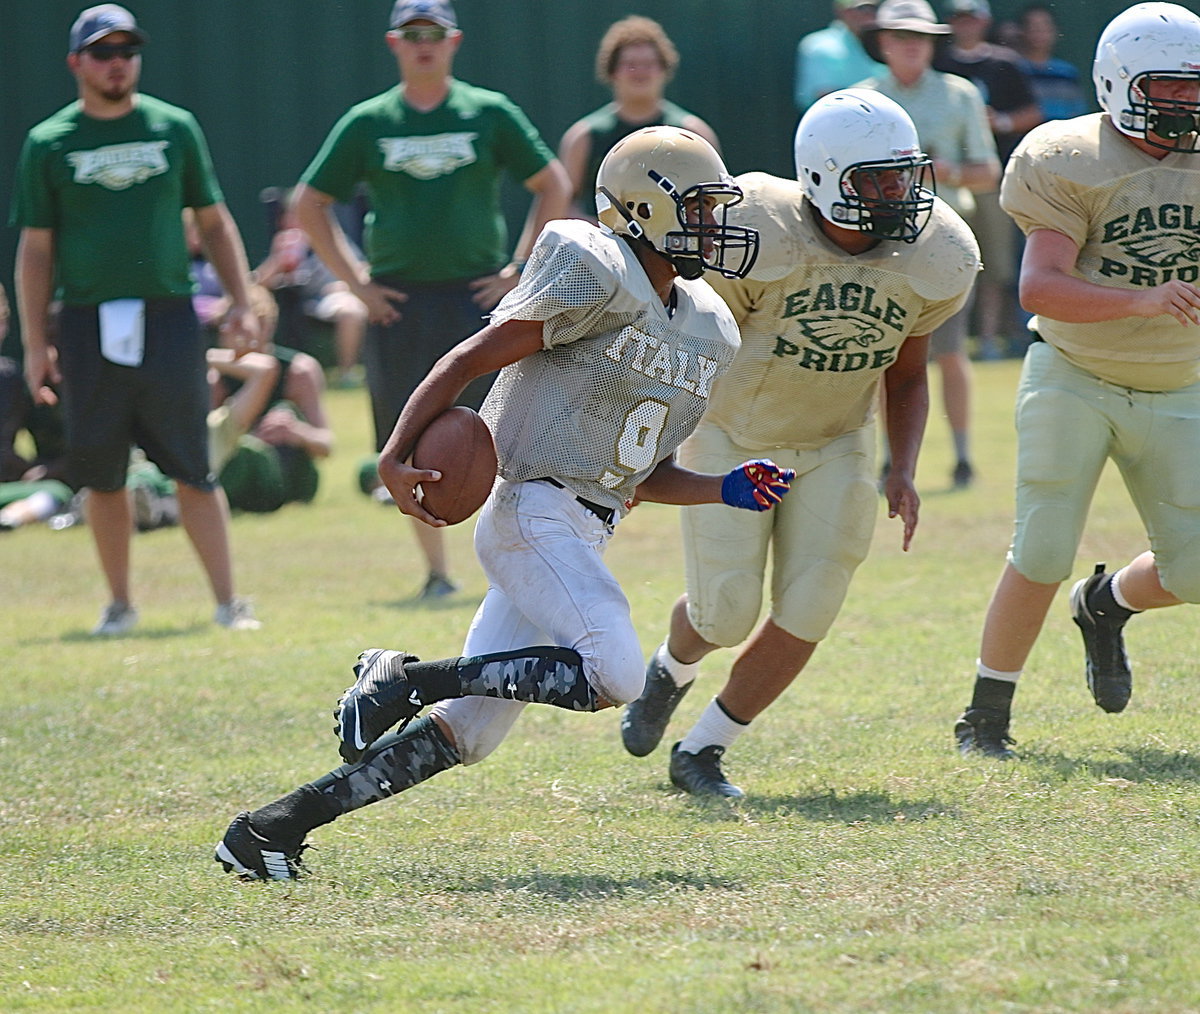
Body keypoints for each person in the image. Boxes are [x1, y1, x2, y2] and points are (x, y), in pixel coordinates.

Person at [214, 126, 789, 880]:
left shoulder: (706, 320)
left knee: (469, 736)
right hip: (532, 511)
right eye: (703, 209)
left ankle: (268, 831)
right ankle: (406, 678)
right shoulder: (594, 264)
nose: (715, 226)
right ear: (646, 209)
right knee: (614, 672)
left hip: (583, 526)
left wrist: (722, 488)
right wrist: (396, 451)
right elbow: (469, 358)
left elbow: (637, 472)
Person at [620, 90, 980, 797]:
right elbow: (690, 349)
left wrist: (902, 467)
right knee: (723, 611)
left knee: (812, 604)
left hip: (836, 440)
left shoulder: (935, 252)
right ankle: (672, 667)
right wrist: (652, 449)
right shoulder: (755, 230)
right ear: (820, 178)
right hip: (733, 434)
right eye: (872, 181)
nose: (896, 195)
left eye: (902, 176)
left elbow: (907, 377)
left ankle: (705, 750)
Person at [953, 2, 1200, 760]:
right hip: (1076, 372)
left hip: (1178, 379)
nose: (1188, 104)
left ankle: (1105, 604)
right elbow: (1040, 286)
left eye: (1197, 88)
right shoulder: (1067, 156)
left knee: (1194, 571)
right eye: (1172, 89)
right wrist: (1143, 298)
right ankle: (985, 716)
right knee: (1043, 548)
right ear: (1121, 84)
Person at [293, 0, 572, 601]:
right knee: (412, 433)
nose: (424, 44)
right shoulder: (369, 122)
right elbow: (308, 202)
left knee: (505, 434)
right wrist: (357, 282)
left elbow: (553, 184)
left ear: (454, 42)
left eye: (435, 35)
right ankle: (438, 572)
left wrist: (521, 270)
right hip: (399, 303)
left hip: (479, 299)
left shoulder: (488, 112)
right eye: (413, 34)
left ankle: (514, 561)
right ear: (394, 44)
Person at [11, 4, 262, 635]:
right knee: (100, 472)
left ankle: (230, 602)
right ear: (77, 63)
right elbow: (36, 248)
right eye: (103, 52)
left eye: (127, 51)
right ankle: (120, 604)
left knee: (193, 467)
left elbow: (214, 220)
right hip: (87, 321)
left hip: (169, 317)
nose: (117, 62)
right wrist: (36, 340)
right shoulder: (50, 142)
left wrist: (242, 298)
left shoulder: (173, 127)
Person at [858, 0, 1000, 489]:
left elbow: (988, 172)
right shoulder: (861, 98)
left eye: (919, 34)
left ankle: (962, 458)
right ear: (882, 42)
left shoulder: (960, 95)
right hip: (876, 243)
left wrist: (946, 172)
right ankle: (888, 461)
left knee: (950, 351)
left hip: (944, 242)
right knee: (878, 355)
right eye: (899, 35)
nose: (910, 43)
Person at [935, 0, 1041, 361]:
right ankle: (950, 342)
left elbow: (1032, 112)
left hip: (991, 178)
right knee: (947, 263)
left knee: (994, 263)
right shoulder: (939, 64)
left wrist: (1001, 122)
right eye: (959, 18)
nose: (966, 25)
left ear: (984, 21)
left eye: (972, 18)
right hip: (942, 181)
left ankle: (989, 338)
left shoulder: (1004, 64)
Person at [557, 16, 720, 221]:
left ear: (664, 69)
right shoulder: (583, 137)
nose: (640, 72)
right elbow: (562, 206)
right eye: (630, 64)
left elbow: (714, 202)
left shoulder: (693, 134)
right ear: (612, 71)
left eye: (649, 64)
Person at [253, 196, 370, 388]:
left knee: (354, 308)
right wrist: (278, 262)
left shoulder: (332, 237)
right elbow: (259, 282)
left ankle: (352, 371)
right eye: (292, 216)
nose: (297, 221)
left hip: (342, 294)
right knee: (351, 312)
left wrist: (347, 284)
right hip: (310, 301)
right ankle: (347, 374)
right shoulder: (285, 243)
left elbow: (361, 268)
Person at [795, 0, 886, 112]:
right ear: (841, 10)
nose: (868, 14)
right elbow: (826, 98)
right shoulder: (817, 45)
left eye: (873, 8)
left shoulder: (889, 44)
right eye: (862, 8)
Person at [1015, 4, 1088, 124]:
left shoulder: (1067, 72)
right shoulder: (1013, 68)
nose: (1039, 34)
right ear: (1022, 31)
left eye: (1044, 28)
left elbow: (1077, 113)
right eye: (1033, 28)